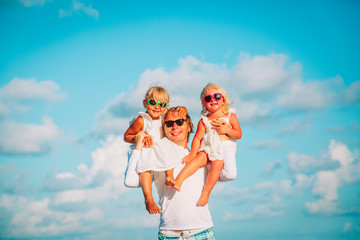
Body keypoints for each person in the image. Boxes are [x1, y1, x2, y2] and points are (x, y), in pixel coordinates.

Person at [133, 107, 215, 240]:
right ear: (164, 129)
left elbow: (227, 173)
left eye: (180, 122)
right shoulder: (157, 153)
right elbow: (143, 171)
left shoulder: (202, 154)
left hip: (202, 230)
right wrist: (148, 199)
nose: (175, 126)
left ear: (189, 126)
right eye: (169, 124)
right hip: (169, 234)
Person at [170, 83, 242, 206]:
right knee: (199, 159)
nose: (212, 99)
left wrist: (227, 131)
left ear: (223, 99)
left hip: (223, 150)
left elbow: (238, 134)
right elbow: (197, 138)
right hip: (208, 148)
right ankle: (179, 180)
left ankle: (206, 192)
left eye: (217, 96)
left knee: (219, 163)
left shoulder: (230, 116)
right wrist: (192, 154)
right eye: (208, 98)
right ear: (204, 103)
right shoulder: (204, 121)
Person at [123, 86, 186, 214]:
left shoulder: (164, 117)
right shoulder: (142, 120)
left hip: (160, 148)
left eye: (162, 104)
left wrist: (183, 109)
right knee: (145, 167)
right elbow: (126, 136)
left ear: (166, 106)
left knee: (168, 151)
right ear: (145, 102)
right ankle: (148, 198)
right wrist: (140, 137)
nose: (157, 107)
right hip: (146, 148)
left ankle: (169, 176)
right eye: (153, 103)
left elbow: (179, 115)